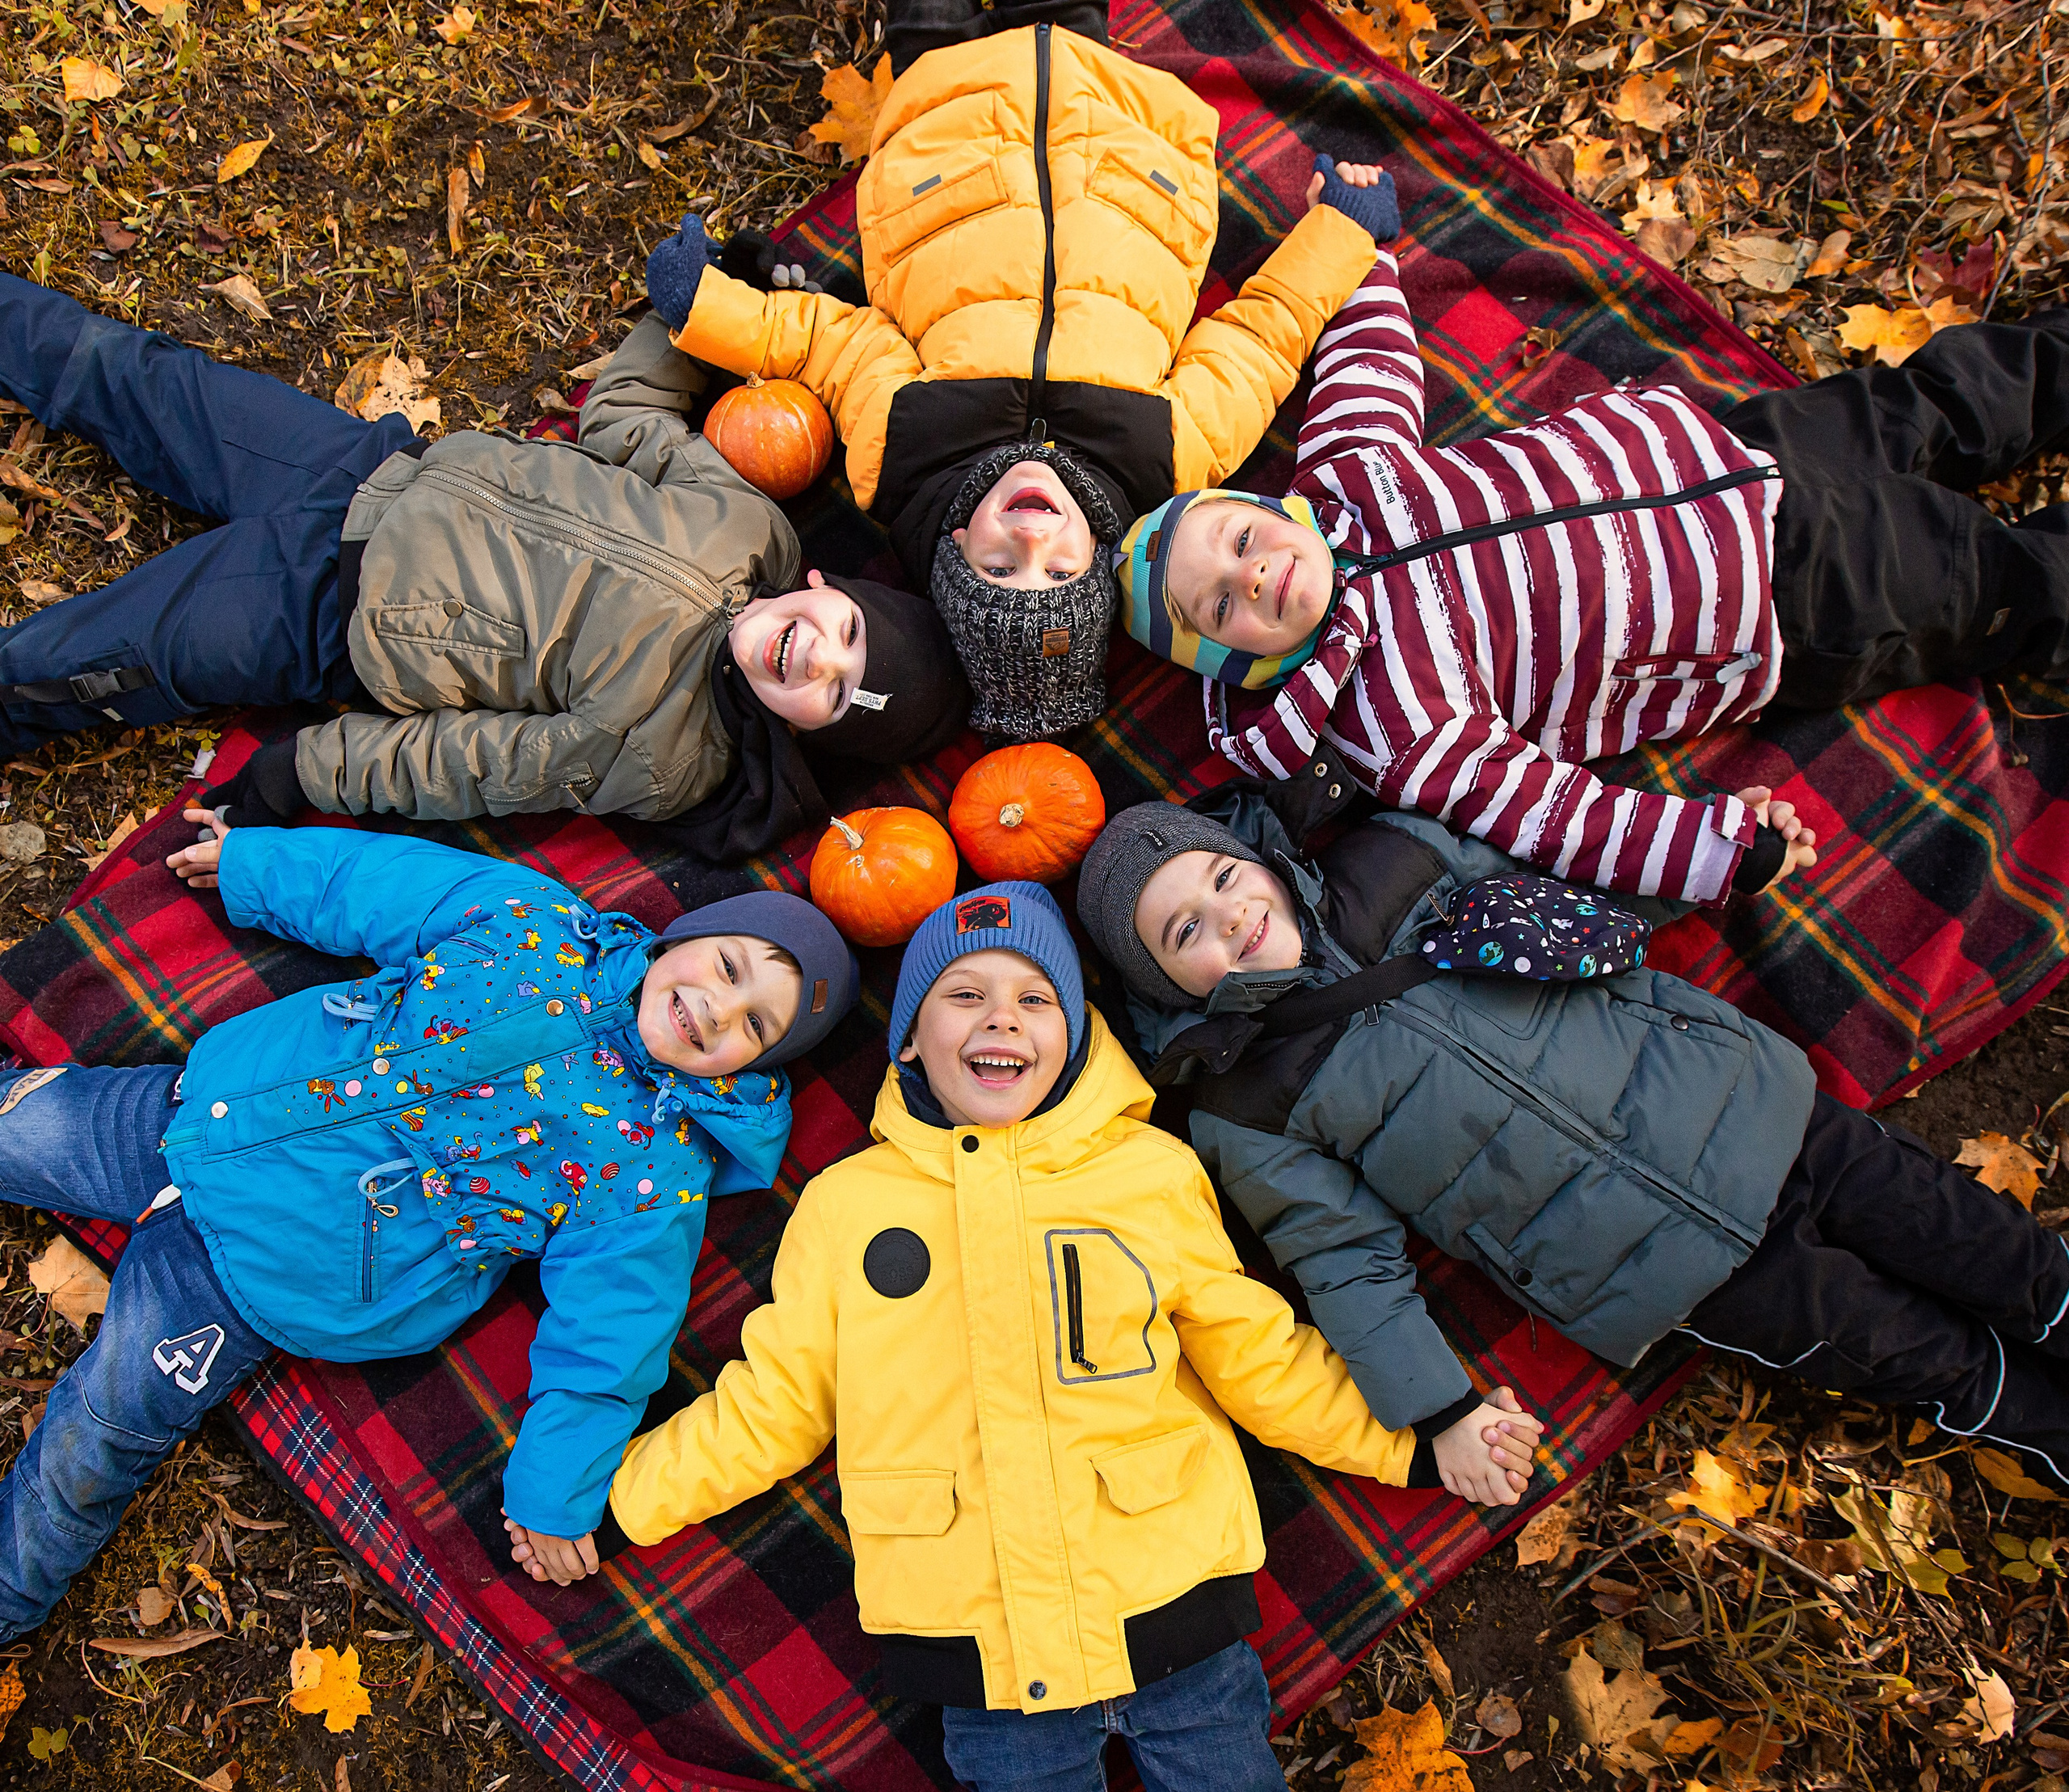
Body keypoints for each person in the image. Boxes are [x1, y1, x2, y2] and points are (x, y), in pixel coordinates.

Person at [525, 882, 1541, 1791]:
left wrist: (1415, 1441)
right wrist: (608, 1505)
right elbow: (774, 1404)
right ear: (910, 1041)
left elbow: (1257, 1356)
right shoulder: (845, 1206)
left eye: (1033, 998)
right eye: (963, 995)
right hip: (974, 1641)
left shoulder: (1147, 1174)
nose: (999, 1017)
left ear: (1078, 1039)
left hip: (1171, 1602)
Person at [0, 812, 858, 1641]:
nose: (717, 1008)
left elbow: (612, 1342)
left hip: (266, 1279)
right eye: (730, 967)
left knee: (101, 1429)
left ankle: (8, 1595)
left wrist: (556, 1492)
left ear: (755, 1072)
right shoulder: (533, 922)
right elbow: (376, 885)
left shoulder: (657, 1177)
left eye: (756, 1027)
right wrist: (252, 866)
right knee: (22, 1125)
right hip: (197, 1114)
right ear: (684, 939)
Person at [1076, 783, 2069, 1491]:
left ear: (1253, 855)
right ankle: (2042, 1425)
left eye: (1219, 877)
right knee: (1904, 1350)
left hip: (1753, 1109)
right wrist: (1440, 1409)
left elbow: (1586, 889)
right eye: (1183, 933)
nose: (1227, 916)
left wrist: (1721, 858)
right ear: (1169, 988)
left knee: (1974, 1240)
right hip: (1657, 1269)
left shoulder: (1400, 859)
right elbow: (1342, 1262)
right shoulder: (1243, 1104)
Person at [1115, 224, 2069, 903]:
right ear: (1235, 666)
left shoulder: (1345, 479)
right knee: (2000, 582)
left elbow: (1366, 376)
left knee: (1935, 399)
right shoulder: (1388, 722)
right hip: (1783, 602)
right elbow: (1547, 812)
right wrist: (1708, 850)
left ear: (1265, 508)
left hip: (1720, 450)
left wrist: (1363, 253)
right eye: (1216, 608)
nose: (1250, 575)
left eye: (1237, 540)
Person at [0, 274, 968, 859]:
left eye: (836, 697)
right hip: (366, 466)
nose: (819, 661)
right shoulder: (747, 525)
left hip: (321, 611)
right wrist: (692, 315)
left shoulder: (667, 752)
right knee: (137, 376)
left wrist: (309, 768)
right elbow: (626, 421)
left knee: (79, 659)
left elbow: (471, 765)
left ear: (807, 734)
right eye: (847, 637)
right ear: (825, 591)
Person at [641, 0, 1403, 741]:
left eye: (1001, 569)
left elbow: (831, 343)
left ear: (961, 542)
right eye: (1062, 571)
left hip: (944, 141)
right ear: (1101, 564)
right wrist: (1340, 237)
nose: (1033, 538)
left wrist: (705, 310)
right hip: (1118, 143)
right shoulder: (1168, 459)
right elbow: (1263, 339)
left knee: (927, 19)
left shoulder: (903, 451)